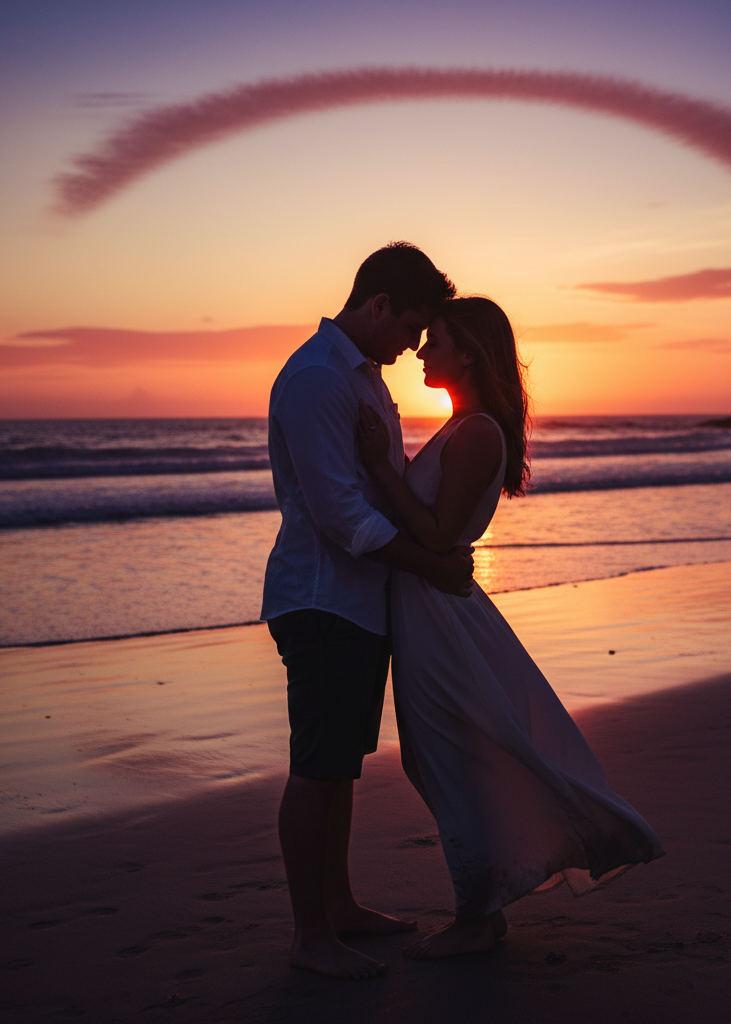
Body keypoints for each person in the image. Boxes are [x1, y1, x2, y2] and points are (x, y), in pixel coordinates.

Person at [357, 296, 664, 959]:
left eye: (434, 339)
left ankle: (478, 915)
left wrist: (382, 464)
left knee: (447, 755)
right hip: (430, 606)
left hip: (440, 614)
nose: (420, 350)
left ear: (468, 351)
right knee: (440, 755)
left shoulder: (477, 433)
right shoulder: (463, 425)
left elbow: (438, 532)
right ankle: (489, 899)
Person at [261, 243, 475, 980]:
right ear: (379, 305)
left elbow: (379, 487)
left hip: (358, 604)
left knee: (341, 765)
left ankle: (341, 906)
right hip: (322, 600)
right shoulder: (320, 379)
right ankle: (309, 936)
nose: (413, 348)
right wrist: (435, 566)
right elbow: (340, 516)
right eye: (411, 330)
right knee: (317, 768)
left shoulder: (362, 377)